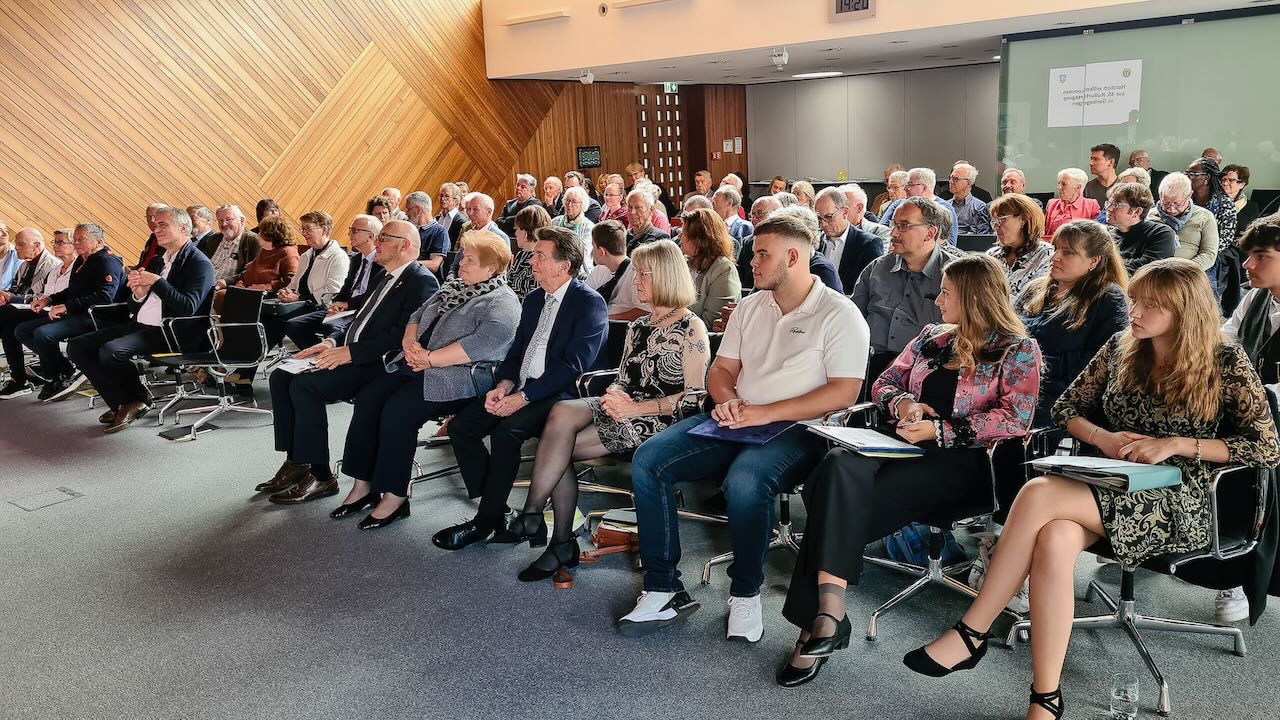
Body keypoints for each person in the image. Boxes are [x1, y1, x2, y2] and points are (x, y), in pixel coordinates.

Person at [907, 258, 1280, 720]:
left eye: (1150, 306)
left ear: (1185, 311)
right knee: (1054, 538)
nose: (1134, 313)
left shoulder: (1225, 360)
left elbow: (1266, 447)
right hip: (1111, 481)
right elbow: (1065, 409)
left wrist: (1176, 444)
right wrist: (1104, 439)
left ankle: (971, 632)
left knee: (1038, 493)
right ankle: (1046, 698)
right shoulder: (1123, 346)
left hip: (1179, 495)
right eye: (1134, 301)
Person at [777, 253, 1041, 687]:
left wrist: (939, 430)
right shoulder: (932, 337)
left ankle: (821, 623)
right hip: (896, 444)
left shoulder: (1016, 350)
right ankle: (829, 613)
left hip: (959, 464)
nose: (937, 301)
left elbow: (1016, 418)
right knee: (839, 462)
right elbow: (884, 383)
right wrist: (904, 404)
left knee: (830, 498)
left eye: (946, 293)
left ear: (975, 298)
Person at [617, 214, 868, 642]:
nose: (752, 261)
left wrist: (765, 412)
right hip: (738, 417)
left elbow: (843, 393)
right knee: (649, 459)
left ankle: (746, 592)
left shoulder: (839, 313)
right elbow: (721, 370)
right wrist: (728, 400)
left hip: (800, 429)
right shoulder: (751, 307)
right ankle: (663, 587)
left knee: (746, 480)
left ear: (794, 257)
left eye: (763, 254)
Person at [500, 239, 710, 580]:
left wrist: (634, 408)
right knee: (562, 412)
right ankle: (538, 519)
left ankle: (553, 535)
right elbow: (623, 377)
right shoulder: (639, 325)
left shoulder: (691, 327)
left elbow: (694, 397)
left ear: (666, 276)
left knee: (557, 449)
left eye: (644, 274)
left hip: (659, 418)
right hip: (624, 406)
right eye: (636, 273)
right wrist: (614, 394)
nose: (635, 281)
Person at [326, 231, 521, 528]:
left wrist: (429, 359)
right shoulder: (454, 286)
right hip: (417, 364)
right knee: (369, 399)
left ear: (491, 268)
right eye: (462, 257)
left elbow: (478, 346)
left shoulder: (502, 303)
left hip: (460, 378)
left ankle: (395, 496)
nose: (461, 263)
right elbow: (417, 314)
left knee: (398, 412)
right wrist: (409, 343)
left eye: (470, 260)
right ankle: (363, 484)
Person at [432, 226, 608, 551]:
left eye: (540, 256)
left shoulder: (588, 303)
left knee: (506, 433)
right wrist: (504, 384)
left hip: (563, 396)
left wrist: (523, 398)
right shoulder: (535, 298)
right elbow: (516, 353)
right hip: (523, 386)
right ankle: (496, 509)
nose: (531, 261)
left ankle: (485, 521)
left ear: (564, 265)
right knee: (462, 428)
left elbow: (573, 367)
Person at [257, 220, 439, 503]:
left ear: (404, 245)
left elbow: (402, 336)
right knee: (281, 375)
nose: (376, 242)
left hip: (379, 364)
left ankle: (321, 476)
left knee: (305, 386)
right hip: (354, 353)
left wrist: (350, 353)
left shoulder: (421, 281)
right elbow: (356, 318)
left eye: (383, 238)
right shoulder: (384, 275)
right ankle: (298, 461)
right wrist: (331, 342)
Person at [66, 206, 214, 432]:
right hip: (141, 325)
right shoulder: (157, 260)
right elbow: (134, 305)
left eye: (163, 225)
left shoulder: (198, 263)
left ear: (183, 228)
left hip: (173, 332)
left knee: (112, 351)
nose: (156, 229)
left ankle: (137, 399)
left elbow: (188, 307)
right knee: (77, 346)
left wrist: (156, 282)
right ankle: (121, 403)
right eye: (155, 225)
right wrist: (139, 294)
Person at [1216, 214, 1280, 621]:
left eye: (1262, 256)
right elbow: (1224, 341)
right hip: (1251, 416)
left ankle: (1245, 574)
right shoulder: (1255, 298)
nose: (1248, 265)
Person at [1015, 220, 1128, 428]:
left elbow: (1101, 363)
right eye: (1056, 249)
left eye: (1067, 253)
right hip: (1014, 384)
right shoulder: (1035, 289)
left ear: (1094, 260)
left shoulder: (1108, 298)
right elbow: (1007, 332)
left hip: (1061, 398)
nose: (1054, 257)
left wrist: (1034, 363)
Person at [853, 196, 964, 388]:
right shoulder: (877, 269)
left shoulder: (955, 275)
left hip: (928, 368)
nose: (894, 232)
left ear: (930, 233)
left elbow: (965, 334)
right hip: (868, 363)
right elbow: (853, 318)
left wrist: (905, 363)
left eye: (903, 226)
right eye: (894, 225)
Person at [17, 224, 126, 401]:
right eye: (74, 239)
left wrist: (67, 307)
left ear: (99, 242)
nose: (76, 243)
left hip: (97, 317)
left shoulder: (107, 262)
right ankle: (64, 368)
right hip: (77, 313)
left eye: (81, 239)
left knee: (43, 334)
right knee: (22, 330)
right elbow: (73, 291)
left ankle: (55, 378)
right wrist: (49, 299)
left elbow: (104, 297)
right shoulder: (82, 260)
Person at [282, 214, 385, 350]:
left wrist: (347, 304)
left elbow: (376, 294)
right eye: (350, 230)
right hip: (345, 310)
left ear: (370, 236)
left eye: (355, 231)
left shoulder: (382, 262)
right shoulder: (356, 260)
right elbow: (345, 289)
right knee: (294, 325)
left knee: (332, 327)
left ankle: (332, 357)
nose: (349, 234)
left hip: (364, 311)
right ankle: (319, 356)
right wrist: (336, 304)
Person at [264, 211, 350, 351]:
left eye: (308, 229)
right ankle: (251, 359)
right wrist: (285, 292)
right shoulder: (307, 255)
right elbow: (295, 282)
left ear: (324, 230)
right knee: (267, 316)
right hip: (301, 303)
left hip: (321, 307)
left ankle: (318, 355)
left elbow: (333, 291)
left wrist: (299, 298)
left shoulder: (338, 257)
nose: (304, 233)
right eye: (303, 229)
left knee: (284, 322)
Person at [0, 229, 65, 398]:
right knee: (7, 326)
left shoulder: (52, 265)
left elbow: (45, 297)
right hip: (23, 308)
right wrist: (5, 296)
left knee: (5, 314)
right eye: (16, 244)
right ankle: (19, 380)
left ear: (36, 245)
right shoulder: (24, 265)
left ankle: (22, 379)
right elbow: (15, 289)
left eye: (21, 244)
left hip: (45, 310)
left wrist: (12, 298)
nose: (16, 247)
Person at [215, 216, 299, 309]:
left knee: (223, 296)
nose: (258, 235)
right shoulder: (264, 250)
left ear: (271, 235)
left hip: (266, 296)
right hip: (247, 289)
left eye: (261, 232)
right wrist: (241, 282)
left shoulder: (288, 252)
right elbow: (250, 269)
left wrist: (265, 287)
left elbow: (291, 279)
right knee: (220, 295)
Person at [815, 186, 883, 293]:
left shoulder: (869, 244)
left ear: (845, 212)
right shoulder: (814, 242)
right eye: (819, 218)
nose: (823, 224)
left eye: (829, 217)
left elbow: (873, 289)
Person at [680, 208, 742, 325]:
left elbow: (713, 320)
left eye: (684, 234)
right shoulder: (685, 263)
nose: (680, 237)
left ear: (700, 239)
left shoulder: (723, 269)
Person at [1150, 172, 1220, 274]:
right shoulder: (1149, 216)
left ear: (1189, 195)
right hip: (1153, 271)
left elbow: (1209, 254)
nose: (1171, 209)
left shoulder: (1205, 217)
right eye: (1166, 203)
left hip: (1190, 273)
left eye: (1177, 204)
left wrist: (1183, 271)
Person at [987, 193, 1053, 298]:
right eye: (994, 221)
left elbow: (1036, 298)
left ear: (1023, 219)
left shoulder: (1046, 254)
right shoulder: (992, 255)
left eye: (1001, 219)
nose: (995, 226)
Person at [1105, 182, 1176, 274]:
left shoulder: (1161, 234)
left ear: (1137, 212)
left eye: (1116, 205)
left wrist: (1107, 266)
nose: (1108, 208)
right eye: (1109, 203)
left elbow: (1148, 269)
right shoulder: (1106, 235)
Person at [585, 220, 648, 321]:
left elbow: (644, 310)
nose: (592, 251)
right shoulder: (599, 270)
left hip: (618, 327)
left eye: (593, 246)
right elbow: (584, 296)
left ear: (601, 251)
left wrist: (604, 319)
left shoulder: (636, 273)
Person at [881, 168, 961, 245]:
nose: (905, 189)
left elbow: (950, 243)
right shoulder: (898, 204)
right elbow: (882, 230)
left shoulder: (944, 208)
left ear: (923, 188)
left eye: (909, 185)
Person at [202, 204, 261, 290]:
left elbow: (252, 271)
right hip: (202, 284)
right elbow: (203, 263)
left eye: (228, 219)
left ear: (242, 221)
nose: (224, 224)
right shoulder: (214, 239)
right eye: (220, 221)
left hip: (225, 289)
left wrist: (227, 281)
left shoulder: (253, 241)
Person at [508, 204, 552, 302]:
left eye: (517, 229)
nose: (515, 233)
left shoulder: (540, 260)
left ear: (526, 232)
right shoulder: (521, 255)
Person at [1045, 168, 1101, 238]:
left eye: (1064, 184)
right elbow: (1044, 230)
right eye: (1059, 183)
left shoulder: (1091, 205)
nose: (1059, 187)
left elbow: (1096, 234)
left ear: (1078, 187)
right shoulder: (1052, 203)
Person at [552, 186, 595, 272]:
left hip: (580, 270)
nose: (569, 205)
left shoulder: (589, 227)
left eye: (574, 202)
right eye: (567, 201)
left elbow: (583, 253)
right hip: (556, 266)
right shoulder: (555, 222)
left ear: (582, 204)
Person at [405, 191, 448, 275]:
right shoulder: (411, 229)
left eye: (408, 209)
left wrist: (405, 265)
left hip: (424, 278)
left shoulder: (440, 232)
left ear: (418, 210)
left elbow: (434, 265)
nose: (406, 213)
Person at [949, 163, 993, 235]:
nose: (951, 181)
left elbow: (973, 236)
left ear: (968, 183)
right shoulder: (944, 205)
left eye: (955, 179)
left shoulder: (979, 207)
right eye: (950, 178)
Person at [497, 174, 545, 238]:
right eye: (517, 185)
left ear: (531, 190)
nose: (518, 188)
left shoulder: (535, 204)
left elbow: (527, 222)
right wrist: (516, 221)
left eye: (523, 187)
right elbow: (499, 222)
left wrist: (507, 220)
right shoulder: (509, 204)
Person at [625, 188, 670, 254]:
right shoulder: (623, 237)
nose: (632, 212)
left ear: (651, 210)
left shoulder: (660, 239)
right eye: (630, 207)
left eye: (638, 207)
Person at [712, 185, 753, 255]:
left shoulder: (746, 228)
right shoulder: (710, 227)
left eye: (715, 201)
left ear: (729, 203)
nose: (712, 205)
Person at [1223, 164, 1259, 241]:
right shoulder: (1212, 203)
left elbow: (1251, 235)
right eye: (1223, 180)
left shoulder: (1251, 207)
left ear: (1242, 184)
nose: (1225, 183)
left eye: (1231, 180)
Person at [1083, 143, 1121, 207]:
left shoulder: (1125, 187)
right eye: (1091, 159)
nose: (1091, 163)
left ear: (1111, 162)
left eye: (1096, 159)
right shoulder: (1087, 189)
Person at [436, 183, 466, 247]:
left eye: (447, 196)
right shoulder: (437, 219)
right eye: (441, 195)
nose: (442, 199)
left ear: (456, 200)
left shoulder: (461, 222)